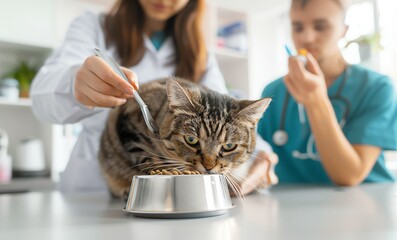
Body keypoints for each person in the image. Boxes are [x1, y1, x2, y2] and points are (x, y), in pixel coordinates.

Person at [31, 0, 277, 193]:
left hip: (175, 187)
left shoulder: (201, 54)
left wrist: (263, 157)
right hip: (91, 188)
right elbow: (41, 98)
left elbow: (232, 120)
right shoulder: (93, 26)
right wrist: (77, 81)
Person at [258, 0, 397, 186]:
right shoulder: (273, 92)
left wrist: (316, 102)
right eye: (298, 28)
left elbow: (349, 176)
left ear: (343, 30)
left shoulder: (376, 87)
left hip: (366, 203)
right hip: (291, 208)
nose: (307, 38)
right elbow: (258, 159)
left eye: (321, 27)